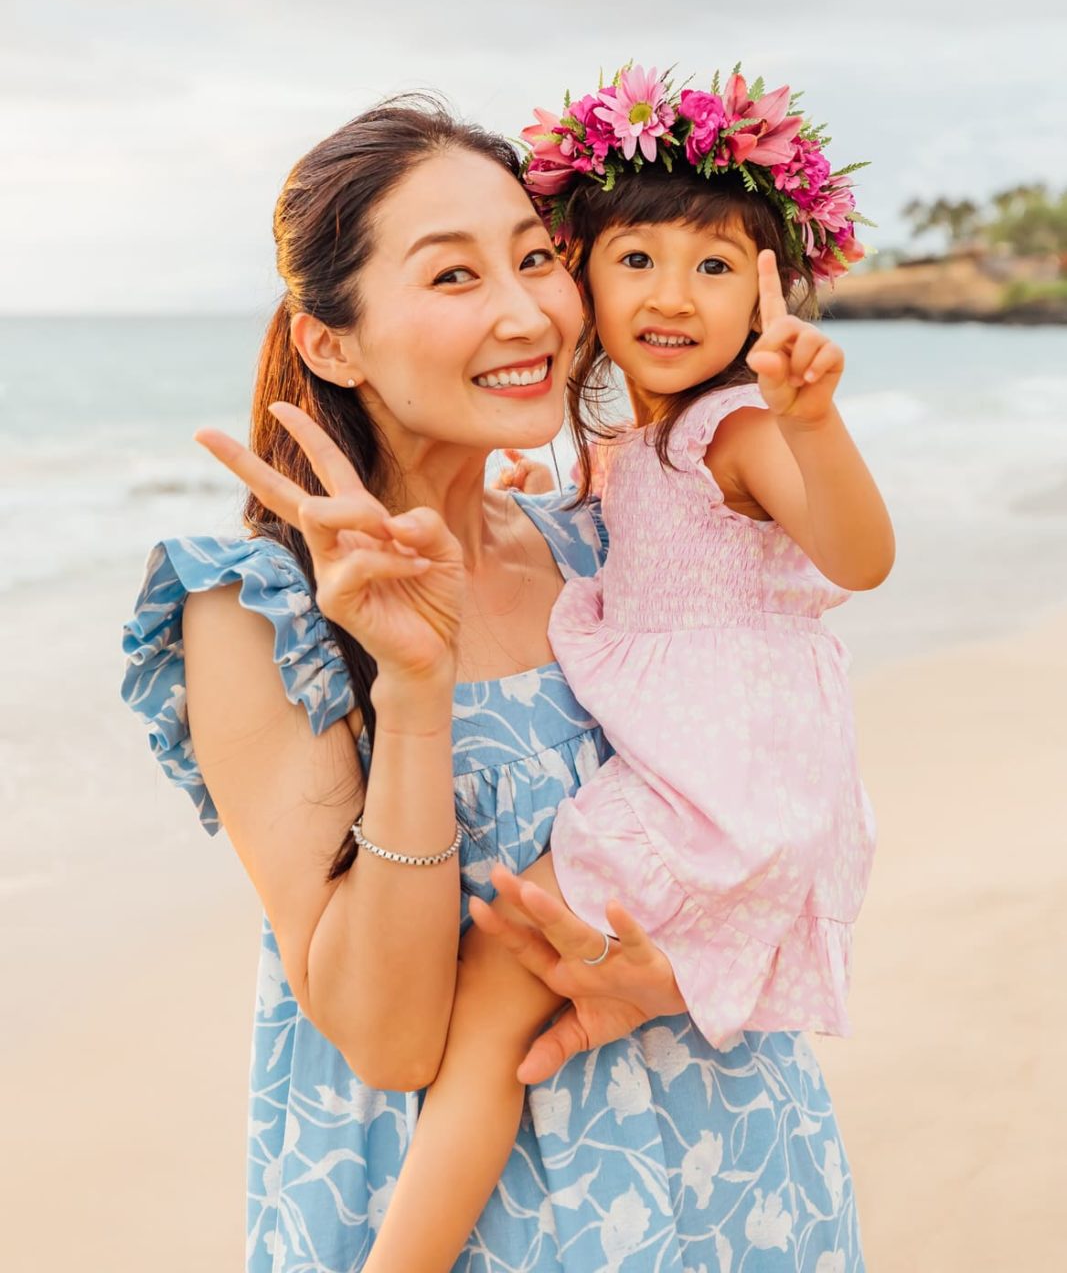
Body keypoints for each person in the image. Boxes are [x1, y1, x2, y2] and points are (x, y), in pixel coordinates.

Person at [122, 93, 869, 1273]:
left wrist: (662, 974)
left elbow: (768, 801)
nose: (525, 311)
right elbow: (388, 1034)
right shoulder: (258, 608)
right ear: (332, 340)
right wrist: (414, 691)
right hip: (472, 1223)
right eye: (453, 277)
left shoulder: (599, 551)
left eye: (534, 257)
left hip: (733, 1170)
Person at [360, 66, 893, 1271]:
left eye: (716, 267)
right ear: (580, 269)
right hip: (731, 787)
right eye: (636, 258)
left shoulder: (734, 430)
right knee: (526, 1004)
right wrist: (526, 492)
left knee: (492, 989)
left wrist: (810, 418)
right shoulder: (632, 447)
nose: (672, 295)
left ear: (771, 289)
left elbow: (857, 556)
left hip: (713, 795)